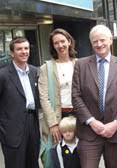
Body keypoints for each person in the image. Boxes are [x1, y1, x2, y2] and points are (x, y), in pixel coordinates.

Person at [72, 24, 117, 168]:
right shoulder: (80, 65)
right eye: (95, 41)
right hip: (89, 132)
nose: (99, 44)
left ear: (110, 40)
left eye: (102, 40)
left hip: (116, 132)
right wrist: (92, 121)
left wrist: (116, 123)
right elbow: (76, 96)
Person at [38, 28, 77, 167]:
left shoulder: (79, 64)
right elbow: (44, 97)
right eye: (56, 43)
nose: (60, 45)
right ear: (53, 46)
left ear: (69, 41)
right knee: (56, 157)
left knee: (77, 156)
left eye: (62, 41)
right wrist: (53, 124)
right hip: (58, 117)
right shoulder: (46, 68)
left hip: (77, 116)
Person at [0, 37, 40, 168]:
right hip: (11, 130)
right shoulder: (3, 75)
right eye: (19, 49)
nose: (24, 52)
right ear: (12, 53)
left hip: (32, 124)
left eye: (26, 48)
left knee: (33, 163)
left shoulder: (35, 71)